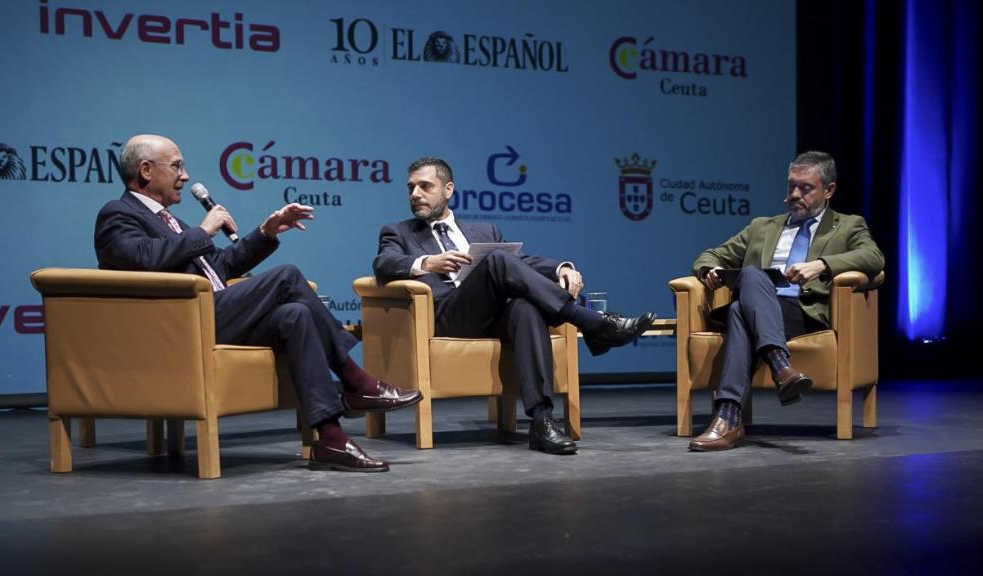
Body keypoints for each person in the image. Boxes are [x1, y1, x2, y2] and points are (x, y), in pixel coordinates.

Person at [95, 134, 423, 472]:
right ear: (146, 170)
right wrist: (202, 232)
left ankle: (331, 439)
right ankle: (357, 382)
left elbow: (218, 266)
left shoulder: (173, 221)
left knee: (294, 315)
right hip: (178, 326)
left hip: (212, 314)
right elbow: (140, 259)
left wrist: (266, 233)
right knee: (287, 276)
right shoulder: (118, 214)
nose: (186, 175)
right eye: (177, 166)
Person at [373, 157, 657, 455]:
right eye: (411, 188)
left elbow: (517, 264)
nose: (415, 194)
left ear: (448, 190)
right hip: (446, 317)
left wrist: (559, 267)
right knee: (496, 260)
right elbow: (384, 263)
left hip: (491, 314)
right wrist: (427, 262)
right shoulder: (398, 232)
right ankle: (592, 323)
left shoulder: (484, 231)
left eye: (425, 186)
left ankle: (542, 422)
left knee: (525, 307)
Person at [688, 151, 885, 451]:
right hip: (762, 311)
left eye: (805, 188)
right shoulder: (762, 227)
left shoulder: (847, 225)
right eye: (791, 186)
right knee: (752, 281)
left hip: (803, 313)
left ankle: (728, 418)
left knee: (743, 304)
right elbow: (710, 254)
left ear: (829, 190)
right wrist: (708, 271)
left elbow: (874, 257)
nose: (795, 194)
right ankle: (782, 369)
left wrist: (822, 264)